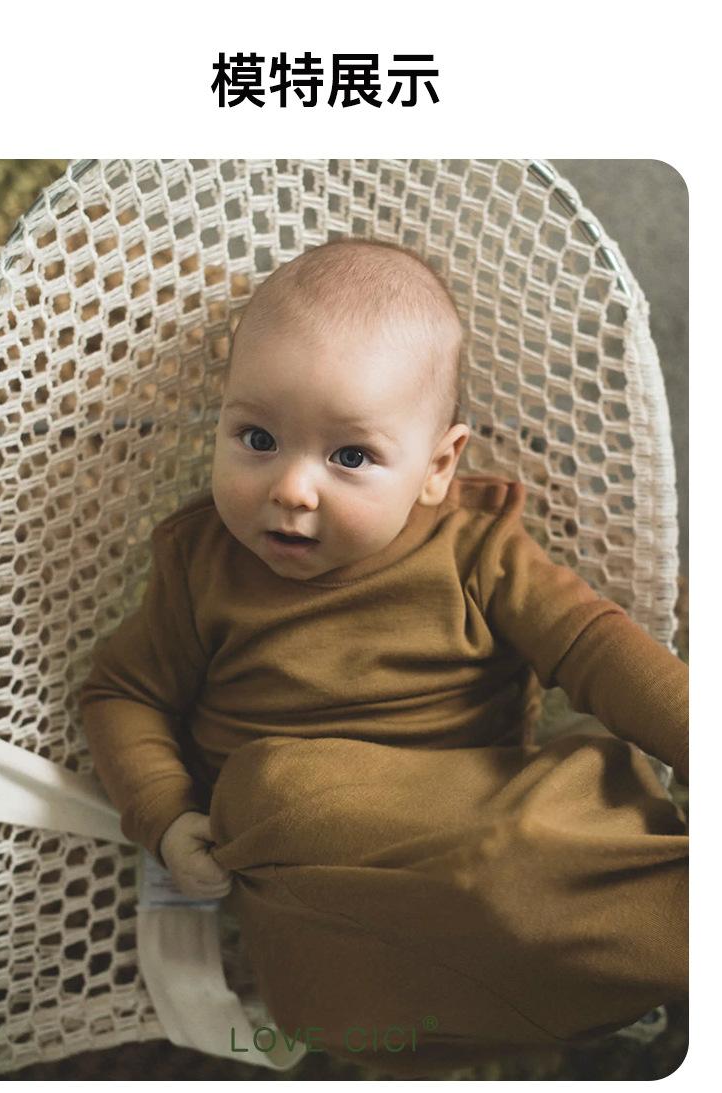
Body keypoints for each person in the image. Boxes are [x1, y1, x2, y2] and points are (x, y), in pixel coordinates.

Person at [80, 238, 688, 1075]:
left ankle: (664, 939)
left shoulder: (475, 550)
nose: (292, 488)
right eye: (257, 437)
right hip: (320, 897)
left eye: (350, 456)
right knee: (270, 797)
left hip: (485, 828)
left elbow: (595, 647)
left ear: (438, 467)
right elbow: (121, 693)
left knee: (576, 832)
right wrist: (167, 811)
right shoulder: (201, 564)